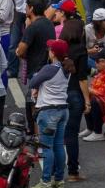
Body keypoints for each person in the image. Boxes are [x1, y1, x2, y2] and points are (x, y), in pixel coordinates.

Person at [29, 39, 71, 188]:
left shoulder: (49, 68)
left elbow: (32, 83)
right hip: (63, 109)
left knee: (47, 147)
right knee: (59, 145)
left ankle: (45, 181)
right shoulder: (66, 68)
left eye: (50, 49)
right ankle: (58, 179)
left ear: (53, 53)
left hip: (49, 111)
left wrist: (37, 78)